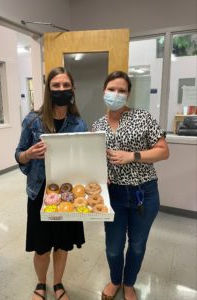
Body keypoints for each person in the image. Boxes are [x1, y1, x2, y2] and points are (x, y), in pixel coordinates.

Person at [92, 71, 169, 300]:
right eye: (112, 89)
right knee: (114, 247)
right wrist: (99, 174)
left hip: (143, 192)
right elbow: (95, 159)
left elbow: (164, 151)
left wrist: (132, 155)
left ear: (128, 94)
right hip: (113, 194)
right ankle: (115, 280)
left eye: (122, 90)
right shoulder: (97, 126)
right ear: (104, 91)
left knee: (136, 245)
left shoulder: (142, 117)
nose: (116, 94)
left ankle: (129, 284)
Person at [15, 67, 88, 300]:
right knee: (41, 245)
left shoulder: (79, 124)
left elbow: (84, 160)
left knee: (63, 244)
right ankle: (40, 283)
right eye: (56, 86)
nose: (61, 90)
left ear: (72, 89)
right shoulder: (32, 120)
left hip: (67, 193)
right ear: (48, 90)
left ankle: (57, 284)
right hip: (40, 192)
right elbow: (18, 154)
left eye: (66, 85)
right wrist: (28, 154)